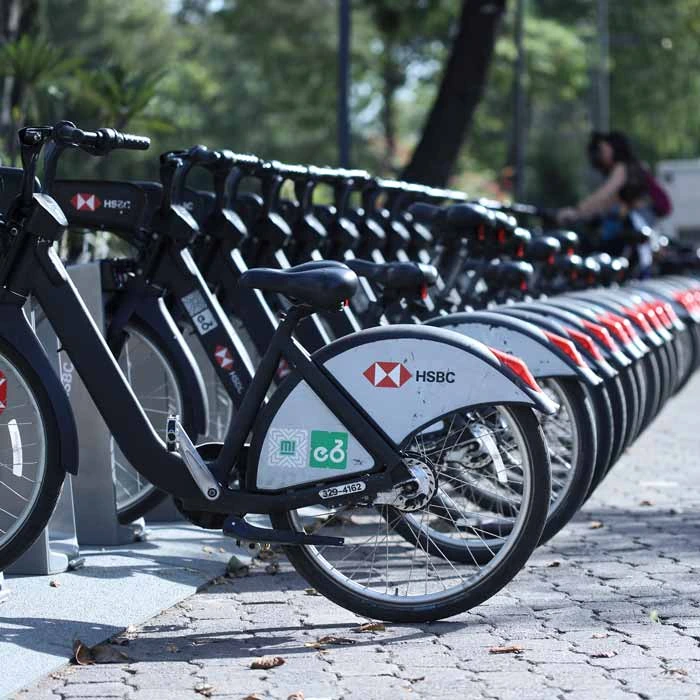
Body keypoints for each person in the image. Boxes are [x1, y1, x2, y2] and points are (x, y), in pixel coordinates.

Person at [557, 130, 654, 275]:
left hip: (634, 229)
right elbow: (607, 202)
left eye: (604, 149)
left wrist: (576, 212)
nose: (600, 155)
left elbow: (603, 196)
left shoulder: (622, 168)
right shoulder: (633, 167)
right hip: (641, 230)